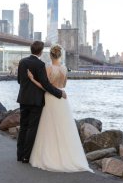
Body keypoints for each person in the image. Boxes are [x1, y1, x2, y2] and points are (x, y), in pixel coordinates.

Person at [27, 44, 93, 173]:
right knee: (64, 127)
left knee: (49, 127)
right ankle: (68, 156)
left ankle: (51, 156)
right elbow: (64, 84)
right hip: (62, 98)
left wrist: (32, 79)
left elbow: (45, 86)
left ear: (51, 55)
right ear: (60, 55)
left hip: (51, 97)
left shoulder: (48, 67)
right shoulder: (64, 68)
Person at [16, 41, 66, 163]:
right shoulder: (40, 65)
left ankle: (19, 155)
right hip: (36, 101)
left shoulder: (22, 62)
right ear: (41, 51)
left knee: (23, 127)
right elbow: (46, 84)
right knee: (32, 129)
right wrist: (59, 93)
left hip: (23, 99)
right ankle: (26, 157)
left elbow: (19, 81)